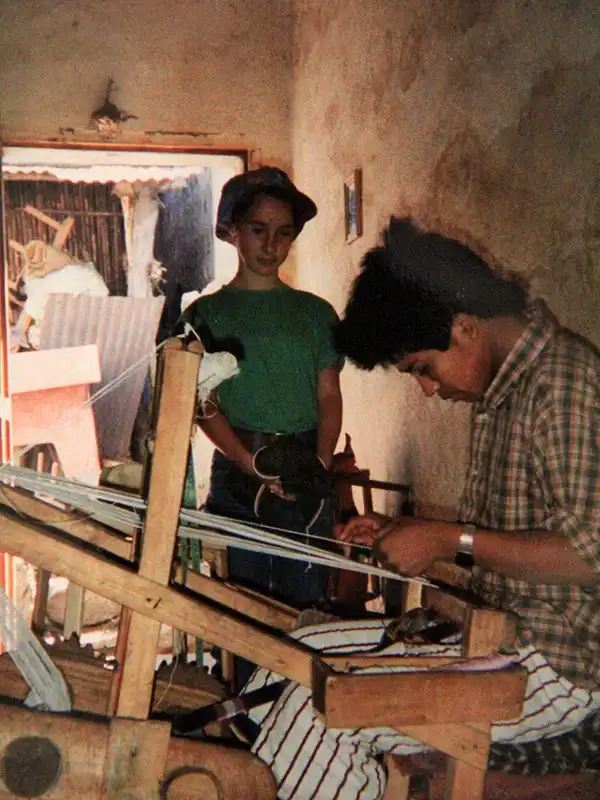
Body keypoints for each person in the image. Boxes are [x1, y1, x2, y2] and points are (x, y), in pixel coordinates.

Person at [242, 217, 600, 799]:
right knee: (291, 661)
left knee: (324, 714)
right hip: (502, 640)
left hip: (564, 667)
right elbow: (508, 543)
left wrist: (446, 540)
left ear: (465, 326)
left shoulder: (562, 384)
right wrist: (407, 533)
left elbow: (591, 554)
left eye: (422, 369)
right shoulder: (504, 392)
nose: (428, 390)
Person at [182, 167, 343, 685]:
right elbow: (201, 402)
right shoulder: (204, 316)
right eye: (258, 229)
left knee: (305, 614)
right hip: (238, 473)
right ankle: (246, 739)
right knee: (244, 614)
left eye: (285, 232)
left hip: (304, 472)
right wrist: (246, 460)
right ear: (232, 230)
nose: (272, 244)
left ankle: (301, 736)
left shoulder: (315, 315)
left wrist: (317, 466)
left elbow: (328, 395)